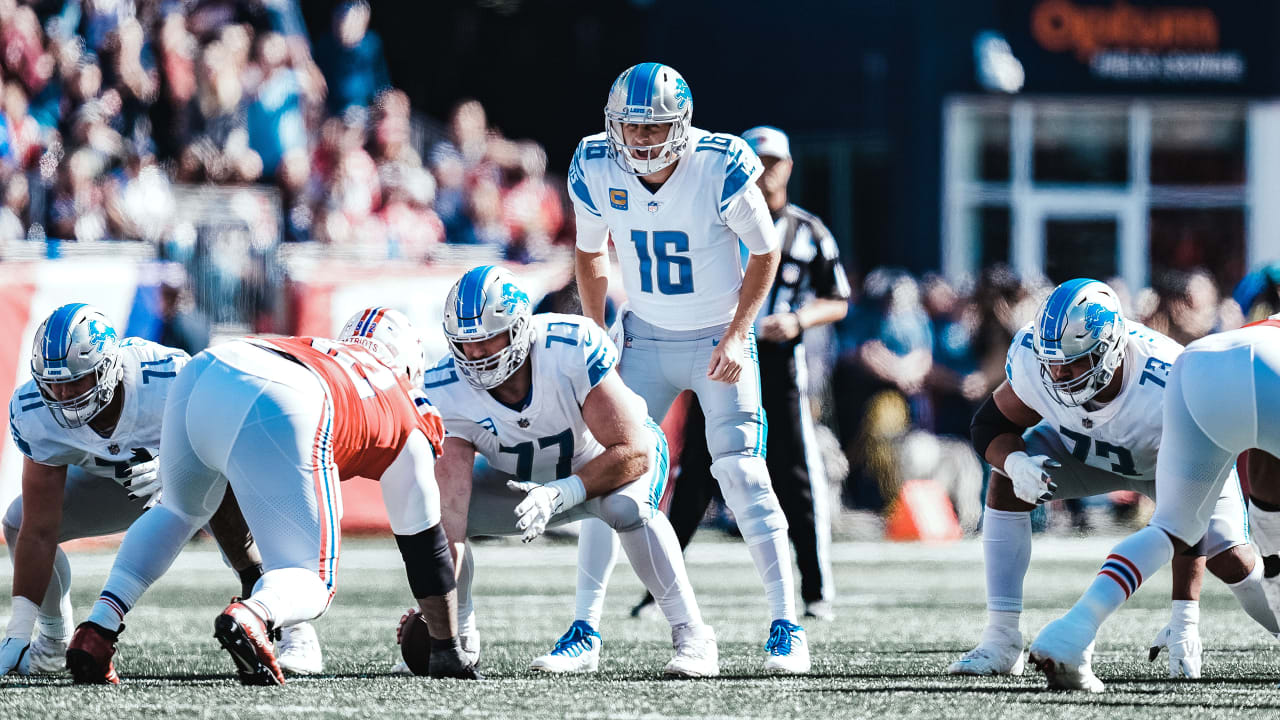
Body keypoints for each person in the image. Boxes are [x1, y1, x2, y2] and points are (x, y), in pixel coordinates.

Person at [59, 308, 477, 684]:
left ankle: (98, 627)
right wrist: (446, 649)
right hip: (287, 396)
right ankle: (253, 615)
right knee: (314, 580)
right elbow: (426, 549)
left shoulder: (326, 349)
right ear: (410, 363)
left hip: (207, 368)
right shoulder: (406, 401)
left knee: (179, 510)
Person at [568, 62, 808, 674]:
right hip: (645, 337)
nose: (641, 139)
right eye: (631, 127)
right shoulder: (596, 163)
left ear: (681, 125)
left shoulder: (720, 163)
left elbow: (764, 250)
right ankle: (583, 630)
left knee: (741, 474)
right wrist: (599, 330)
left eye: (654, 128)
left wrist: (737, 333)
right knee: (607, 478)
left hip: (714, 341)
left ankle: (787, 624)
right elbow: (590, 252)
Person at [950, 279, 1276, 685]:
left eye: (1072, 362)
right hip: (1085, 449)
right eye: (1052, 360)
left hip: (1173, 461)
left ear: (1109, 351)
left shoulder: (1168, 380)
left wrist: (1184, 617)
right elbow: (991, 424)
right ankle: (1001, 640)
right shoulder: (1036, 358)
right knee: (1004, 481)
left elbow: (1186, 519)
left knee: (1235, 563)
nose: (1057, 373)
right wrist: (1015, 463)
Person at [416, 266, 718, 677]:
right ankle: (462, 635)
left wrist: (562, 493)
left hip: (608, 468)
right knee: (436, 518)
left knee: (626, 508)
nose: (477, 356)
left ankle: (693, 636)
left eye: (488, 339)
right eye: (466, 344)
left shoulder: (568, 347)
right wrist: (439, 625)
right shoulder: (446, 389)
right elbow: (450, 517)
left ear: (519, 329)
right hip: (524, 484)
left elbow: (634, 452)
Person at [0, 303, 323, 677]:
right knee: (18, 521)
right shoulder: (34, 410)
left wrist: (175, 461)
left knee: (226, 492)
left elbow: (231, 445)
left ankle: (293, 628)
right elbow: (39, 530)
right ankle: (52, 643)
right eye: (52, 383)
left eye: (76, 380)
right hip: (115, 488)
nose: (63, 395)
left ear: (107, 369)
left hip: (197, 473)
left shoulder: (168, 376)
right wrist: (16, 631)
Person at [628, 125, 850, 622]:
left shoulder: (808, 231)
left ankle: (814, 589)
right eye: (757, 161)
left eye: (773, 162)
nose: (765, 171)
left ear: (788, 167)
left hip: (776, 359)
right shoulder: (714, 218)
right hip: (718, 353)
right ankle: (656, 590)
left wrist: (796, 320)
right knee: (693, 476)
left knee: (796, 476)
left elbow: (837, 299)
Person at [1029, 314, 1280, 692]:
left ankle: (1076, 627)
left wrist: (1185, 621)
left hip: (1198, 363)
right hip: (1265, 368)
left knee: (1173, 527)